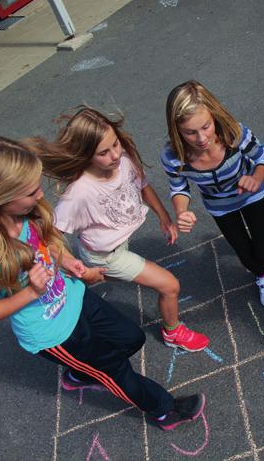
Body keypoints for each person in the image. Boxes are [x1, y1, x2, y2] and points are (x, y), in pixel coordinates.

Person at [0, 137, 205, 430]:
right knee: (116, 372)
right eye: (30, 191)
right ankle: (164, 410)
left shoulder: (26, 214)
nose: (40, 194)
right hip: (54, 332)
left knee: (131, 337)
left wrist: (67, 262)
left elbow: (45, 244)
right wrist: (31, 292)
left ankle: (80, 374)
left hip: (74, 298)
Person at [26, 106, 209, 353]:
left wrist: (164, 216)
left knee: (100, 274)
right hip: (107, 254)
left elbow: (142, 185)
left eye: (115, 144)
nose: (114, 154)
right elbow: (48, 236)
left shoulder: (123, 160)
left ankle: (92, 275)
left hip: (112, 241)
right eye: (104, 152)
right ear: (86, 154)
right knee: (169, 285)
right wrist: (73, 265)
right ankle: (173, 332)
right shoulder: (79, 193)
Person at [161, 80, 264, 310]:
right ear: (176, 129)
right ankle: (263, 278)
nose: (201, 138)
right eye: (190, 132)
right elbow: (179, 187)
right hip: (220, 206)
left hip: (250, 195)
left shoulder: (233, 133)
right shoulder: (172, 155)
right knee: (246, 256)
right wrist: (181, 210)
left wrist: (256, 178)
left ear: (214, 115)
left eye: (206, 126)